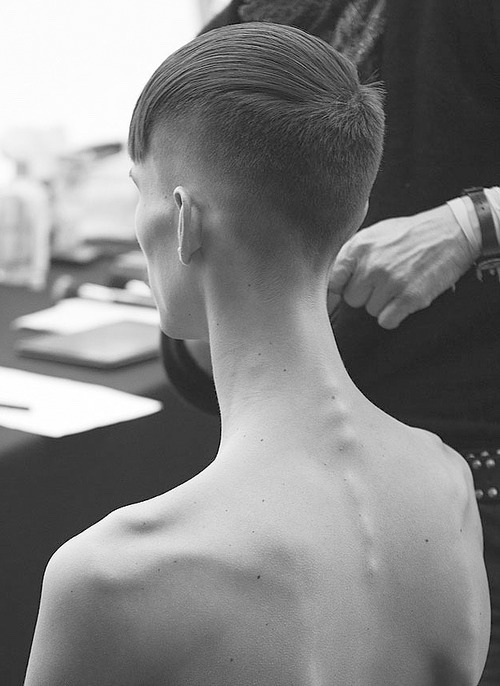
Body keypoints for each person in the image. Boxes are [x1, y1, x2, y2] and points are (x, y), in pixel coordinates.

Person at [24, 23, 489, 686]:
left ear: (183, 220)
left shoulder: (115, 576)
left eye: (137, 188)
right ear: (357, 209)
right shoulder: (449, 488)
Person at [159, 3, 500, 683]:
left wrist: (474, 224)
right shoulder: (238, 38)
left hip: (460, 479)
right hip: (305, 494)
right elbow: (193, 356)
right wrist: (228, 301)